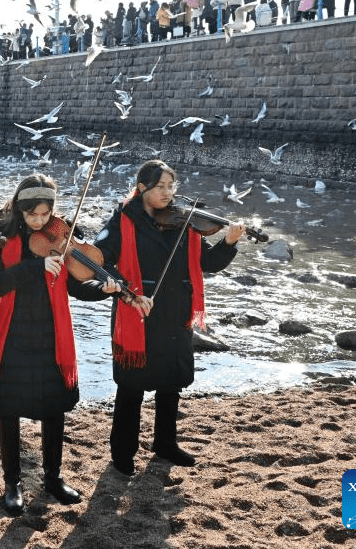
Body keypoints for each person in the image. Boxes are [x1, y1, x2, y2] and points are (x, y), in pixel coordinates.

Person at [0, 175, 120, 515]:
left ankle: (53, 479)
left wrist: (102, 290)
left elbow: (74, 286)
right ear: (20, 208)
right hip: (12, 334)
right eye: (33, 215)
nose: (40, 221)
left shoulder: (61, 235)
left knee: (54, 409)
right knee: (8, 409)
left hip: (51, 334)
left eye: (45, 214)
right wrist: (35, 266)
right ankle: (12, 481)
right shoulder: (0, 238)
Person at [94, 160, 245, 476]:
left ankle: (165, 444)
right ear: (141, 189)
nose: (168, 193)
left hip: (176, 314)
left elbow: (207, 263)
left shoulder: (184, 221)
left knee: (169, 384)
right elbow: (99, 261)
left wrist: (228, 242)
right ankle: (123, 452)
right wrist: (122, 290)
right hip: (138, 312)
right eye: (160, 187)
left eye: (171, 186)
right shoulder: (122, 221)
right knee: (132, 386)